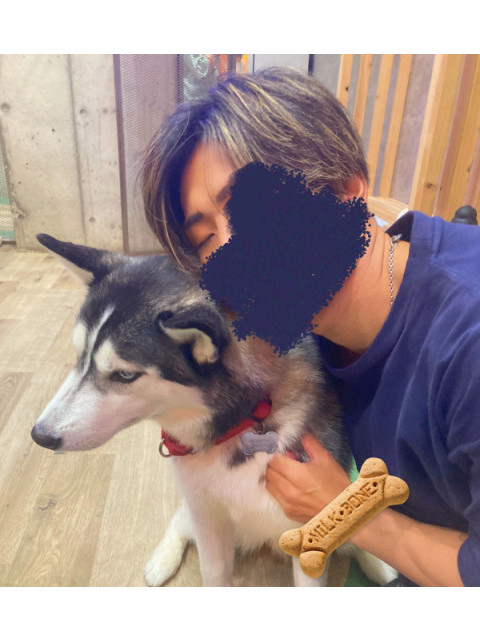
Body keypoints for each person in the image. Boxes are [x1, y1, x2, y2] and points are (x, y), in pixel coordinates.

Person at [141, 67, 480, 587]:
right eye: (205, 237)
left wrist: (347, 511)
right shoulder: (311, 322)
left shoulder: (466, 344)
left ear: (345, 187)